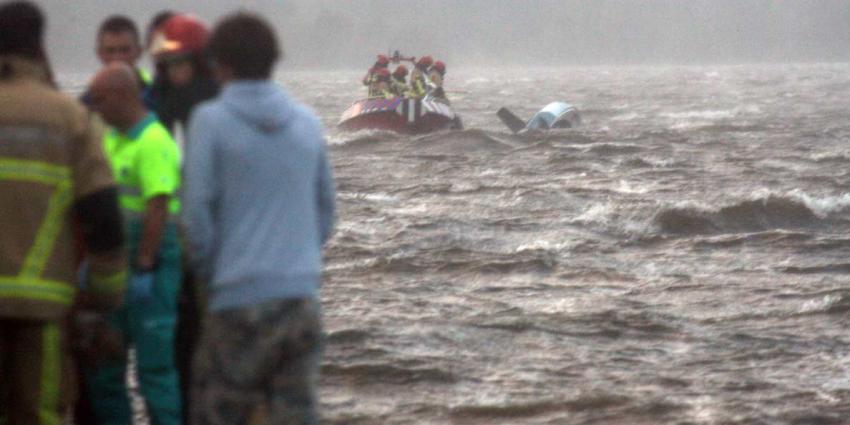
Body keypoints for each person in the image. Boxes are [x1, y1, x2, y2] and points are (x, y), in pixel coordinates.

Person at [183, 11, 336, 425]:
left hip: (235, 297)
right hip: (300, 298)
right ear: (274, 60)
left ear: (219, 64)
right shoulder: (308, 122)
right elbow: (326, 213)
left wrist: (214, 272)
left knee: (219, 413)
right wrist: (297, 261)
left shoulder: (209, 122)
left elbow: (196, 215)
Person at [0, 2, 127, 424]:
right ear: (40, 46)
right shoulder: (71, 118)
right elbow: (104, 219)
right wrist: (104, 299)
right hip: (44, 311)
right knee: (41, 413)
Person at [84, 63, 183, 425]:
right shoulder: (111, 138)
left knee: (154, 370)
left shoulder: (154, 140)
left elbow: (157, 207)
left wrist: (144, 264)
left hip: (151, 264)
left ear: (124, 96)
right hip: (111, 262)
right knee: (104, 369)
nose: (94, 107)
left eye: (100, 99)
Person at [148, 14, 219, 137]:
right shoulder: (164, 92)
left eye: (178, 61)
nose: (172, 70)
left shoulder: (213, 99)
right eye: (167, 64)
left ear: (198, 63)